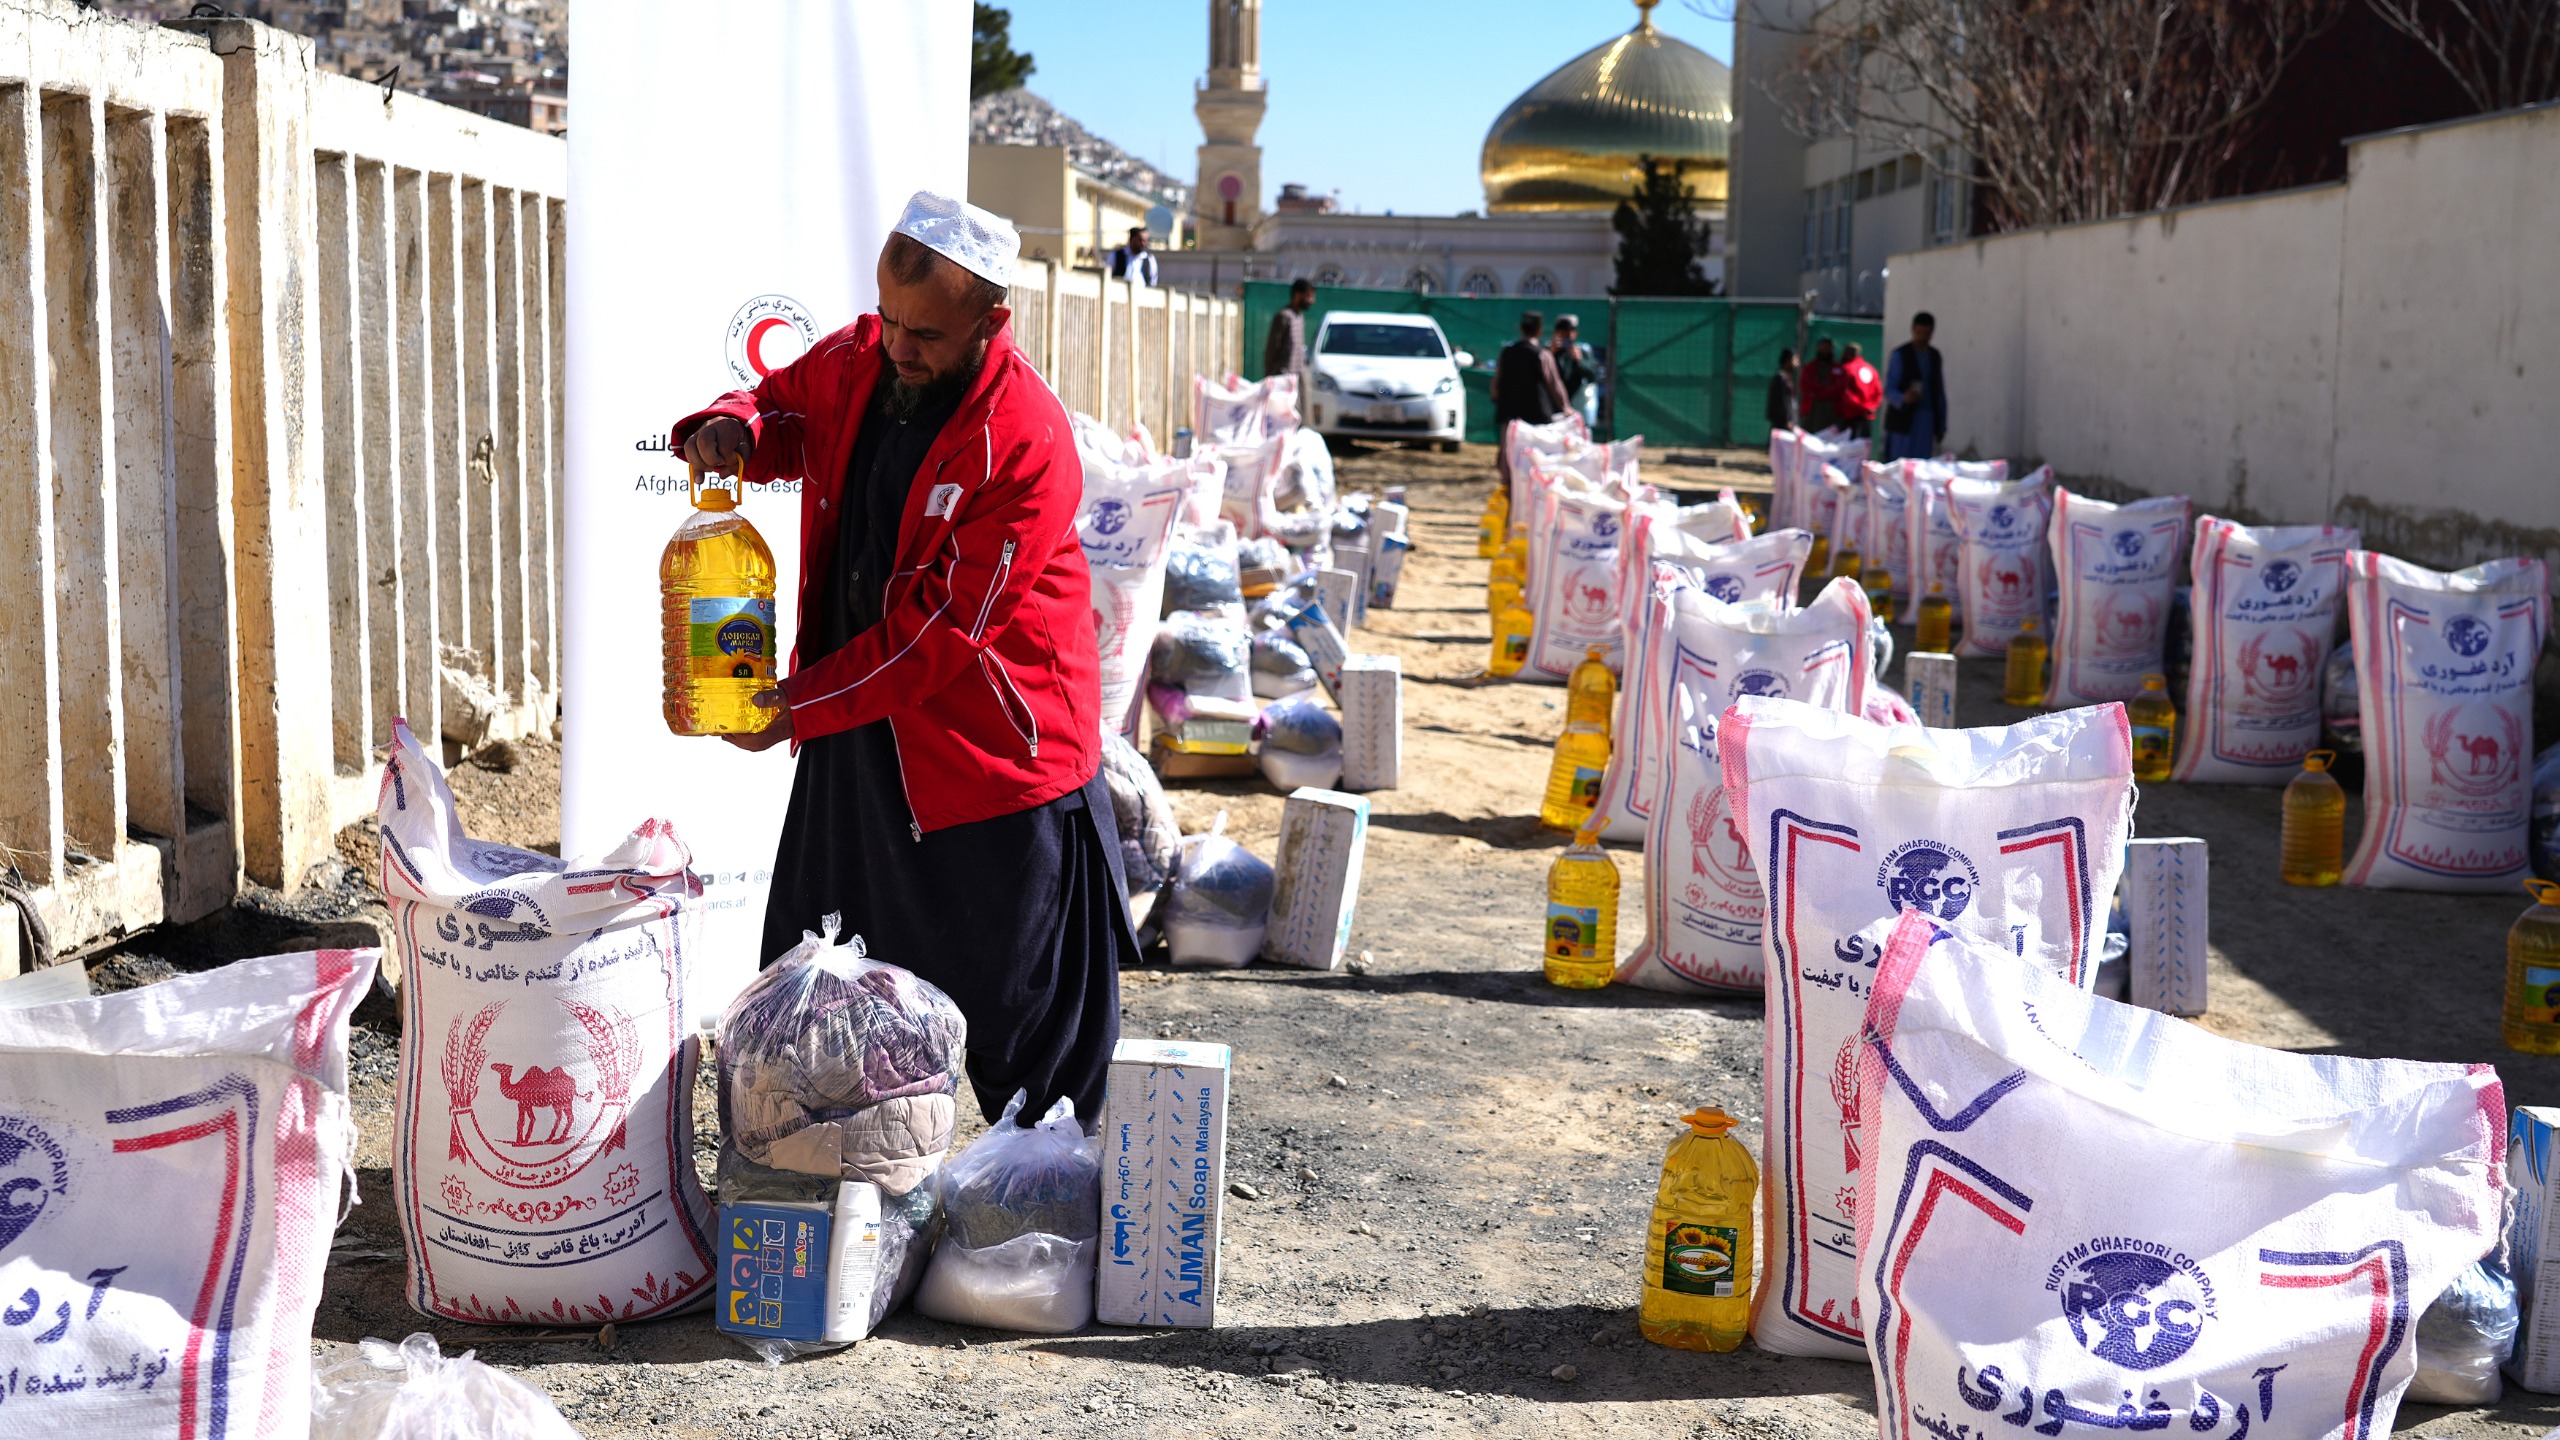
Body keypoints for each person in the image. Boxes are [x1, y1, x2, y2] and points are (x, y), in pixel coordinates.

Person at [669, 191, 1131, 1125]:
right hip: (859, 730)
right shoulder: (863, 354)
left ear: (991, 322)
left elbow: (938, 637)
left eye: (924, 333)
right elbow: (782, 412)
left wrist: (794, 708)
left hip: (988, 760)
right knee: (822, 1006)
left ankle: (1040, 1236)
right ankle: (830, 1208)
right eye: (888, 319)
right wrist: (733, 428)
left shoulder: (1025, 442)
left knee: (1028, 1049)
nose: (898, 347)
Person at [1493, 311, 1570, 493]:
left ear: (1521, 329)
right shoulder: (1542, 355)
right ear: (1540, 331)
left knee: (1508, 456)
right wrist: (1566, 408)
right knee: (1534, 460)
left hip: (1510, 416)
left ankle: (1509, 493)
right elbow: (1555, 385)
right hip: (1536, 418)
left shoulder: (1508, 353)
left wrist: (1498, 399)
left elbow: (1496, 382)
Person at [1884, 311, 1947, 461]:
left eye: (1926, 333)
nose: (1922, 337)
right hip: (1903, 423)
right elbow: (1889, 390)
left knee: (1921, 466)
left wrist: (1941, 423)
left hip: (1926, 421)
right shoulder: (1900, 355)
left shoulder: (1934, 356)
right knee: (1900, 464)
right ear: (1913, 330)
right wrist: (1903, 398)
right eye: (1919, 333)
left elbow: (1939, 392)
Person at [1262, 276, 1315, 407]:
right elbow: (1272, 349)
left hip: (1298, 377)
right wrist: (1270, 378)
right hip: (1283, 380)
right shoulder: (1284, 316)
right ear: (1298, 295)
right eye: (1308, 296)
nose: (1312, 300)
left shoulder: (1299, 317)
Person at [1550, 314, 1600, 430]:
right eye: (1562, 332)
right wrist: (1550, 354)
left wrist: (1579, 361)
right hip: (1553, 405)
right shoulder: (1547, 352)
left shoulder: (1582, 352)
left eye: (1569, 333)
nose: (1566, 336)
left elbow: (1592, 376)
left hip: (1575, 405)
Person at [1799, 337, 1843, 432]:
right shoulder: (1810, 367)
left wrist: (1823, 392)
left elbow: (1838, 387)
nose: (1825, 350)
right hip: (1812, 411)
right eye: (1823, 347)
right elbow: (1805, 386)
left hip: (1831, 412)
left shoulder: (1837, 368)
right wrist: (1824, 388)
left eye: (1828, 347)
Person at [1838, 342, 1883, 434]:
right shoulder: (1871, 369)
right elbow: (1879, 392)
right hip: (1867, 417)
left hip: (1850, 416)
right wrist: (1871, 407)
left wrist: (1862, 408)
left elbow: (1846, 394)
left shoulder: (1847, 368)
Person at [1766, 346, 1800, 432]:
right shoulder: (1780, 378)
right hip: (1782, 423)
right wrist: (1787, 420)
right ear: (1788, 361)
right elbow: (1782, 401)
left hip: (1787, 422)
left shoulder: (1787, 377)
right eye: (1795, 359)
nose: (1797, 363)